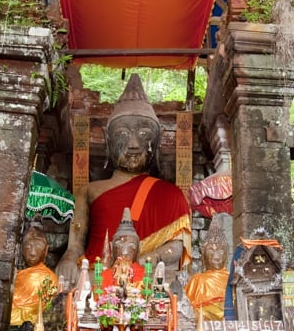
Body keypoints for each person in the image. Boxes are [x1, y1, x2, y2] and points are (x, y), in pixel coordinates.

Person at [57, 73, 192, 287]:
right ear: (108, 141)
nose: (134, 144)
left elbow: (177, 246)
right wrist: (68, 258)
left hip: (146, 273)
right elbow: (75, 245)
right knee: (71, 281)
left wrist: (153, 256)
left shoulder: (171, 194)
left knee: (174, 283)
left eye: (145, 134)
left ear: (156, 144)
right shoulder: (88, 191)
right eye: (122, 134)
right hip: (97, 273)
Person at [9, 219, 59, 326]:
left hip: (33, 323)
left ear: (46, 251)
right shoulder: (15, 274)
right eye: (28, 246)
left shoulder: (49, 277)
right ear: (21, 249)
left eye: (38, 247)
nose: (32, 253)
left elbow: (47, 307)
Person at [184, 220, 230, 320]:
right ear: (203, 255)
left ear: (226, 255)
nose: (216, 256)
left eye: (221, 250)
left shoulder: (232, 279)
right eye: (211, 250)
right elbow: (185, 310)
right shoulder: (197, 280)